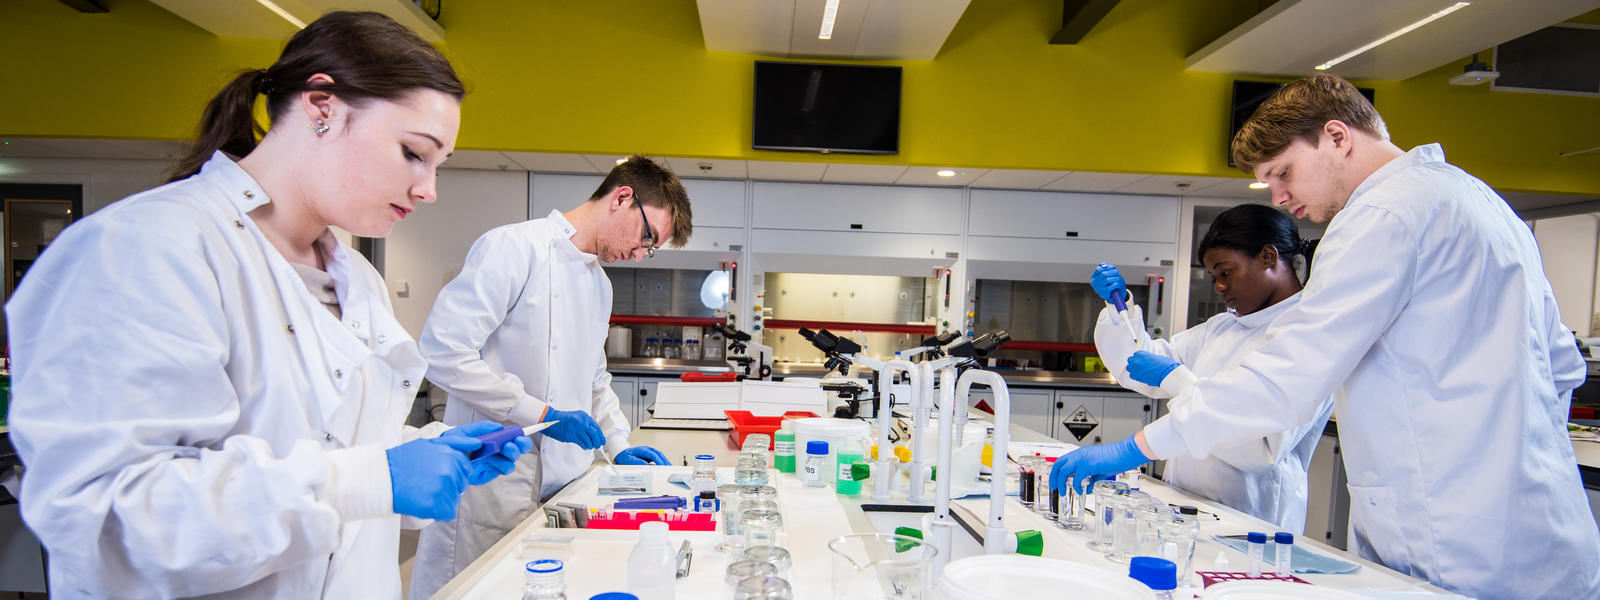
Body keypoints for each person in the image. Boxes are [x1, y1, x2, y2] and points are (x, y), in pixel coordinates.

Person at [5, 12, 532, 599]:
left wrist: (419, 456)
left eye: (439, 165)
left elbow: (330, 450)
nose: (428, 188)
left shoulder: (356, 278)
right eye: (414, 152)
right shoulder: (148, 247)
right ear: (321, 106)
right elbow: (111, 519)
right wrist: (370, 480)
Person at [1051, 73, 1599, 599]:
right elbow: (1561, 367)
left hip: (1456, 540)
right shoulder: (1477, 201)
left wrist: (1135, 447)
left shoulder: (1380, 215)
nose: (1281, 198)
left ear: (1337, 137)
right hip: (1540, 527)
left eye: (1284, 173)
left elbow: (1284, 379)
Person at [409, 155, 691, 598]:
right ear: (622, 198)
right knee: (476, 588)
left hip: (565, 485)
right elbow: (443, 350)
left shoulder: (600, 283)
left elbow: (595, 377)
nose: (640, 254)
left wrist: (619, 445)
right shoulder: (513, 248)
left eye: (650, 249)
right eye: (646, 237)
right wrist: (540, 413)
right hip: (497, 478)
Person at [1090, 204, 1333, 532]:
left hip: (1251, 524)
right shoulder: (1223, 327)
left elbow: (1260, 449)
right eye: (1215, 276)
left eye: (1225, 272)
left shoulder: (1309, 336)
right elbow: (1139, 360)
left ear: (1268, 257)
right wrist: (1120, 309)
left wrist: (1176, 380)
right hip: (1186, 508)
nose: (1218, 286)